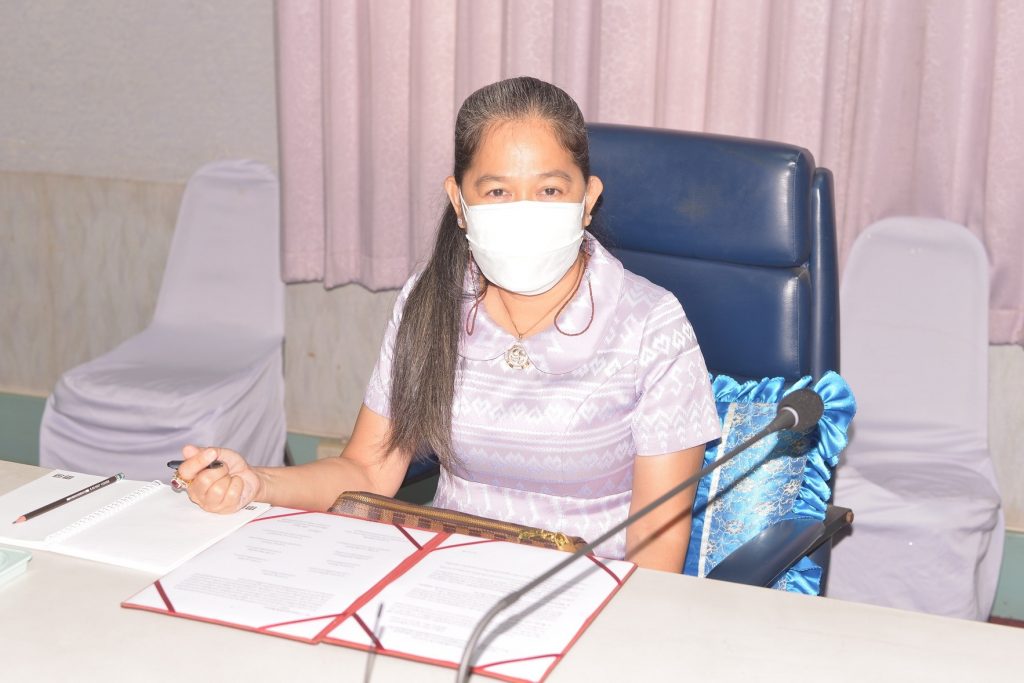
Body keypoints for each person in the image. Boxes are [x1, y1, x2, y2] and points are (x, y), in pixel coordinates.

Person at [177, 76, 721, 571]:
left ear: (588, 199)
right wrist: (257, 482)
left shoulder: (651, 323)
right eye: (497, 191)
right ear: (459, 202)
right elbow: (367, 474)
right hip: (442, 582)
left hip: (587, 597)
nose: (524, 211)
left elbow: (655, 547)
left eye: (550, 190)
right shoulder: (431, 300)